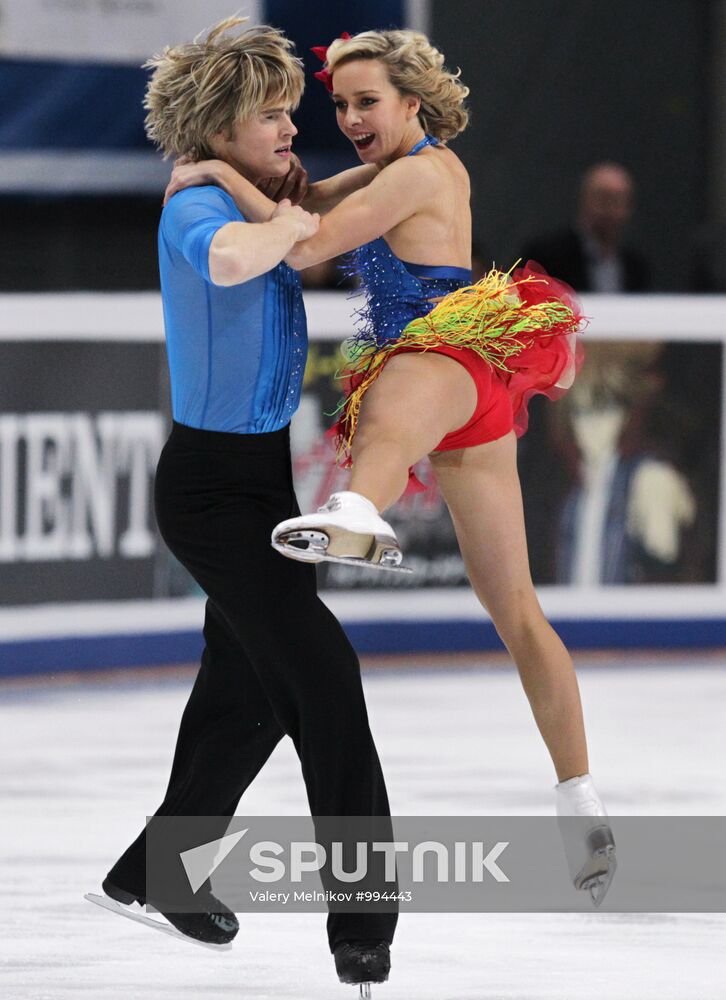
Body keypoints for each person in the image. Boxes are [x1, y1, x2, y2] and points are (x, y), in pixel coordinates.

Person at [170, 29, 617, 904]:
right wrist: (256, 179)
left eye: (365, 101)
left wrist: (216, 177)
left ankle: (357, 513)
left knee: (376, 414)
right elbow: (299, 201)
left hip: (445, 358)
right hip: (466, 393)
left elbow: (301, 246)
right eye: (339, 104)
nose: (348, 118)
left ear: (413, 102)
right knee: (515, 608)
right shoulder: (396, 171)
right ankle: (582, 802)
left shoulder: (416, 173)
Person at [96, 18, 396, 989]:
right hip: (211, 491)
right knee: (323, 671)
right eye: (269, 115)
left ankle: (158, 870)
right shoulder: (194, 213)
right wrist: (227, 190)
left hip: (263, 481)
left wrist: (242, 181)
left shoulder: (242, 190)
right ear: (220, 122)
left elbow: (308, 223)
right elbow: (237, 258)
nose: (286, 131)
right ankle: (364, 924)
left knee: (252, 690)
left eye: (287, 114)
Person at [522, 162, 649, 292]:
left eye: (619, 201)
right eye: (603, 199)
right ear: (584, 200)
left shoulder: (635, 268)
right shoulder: (546, 257)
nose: (611, 210)